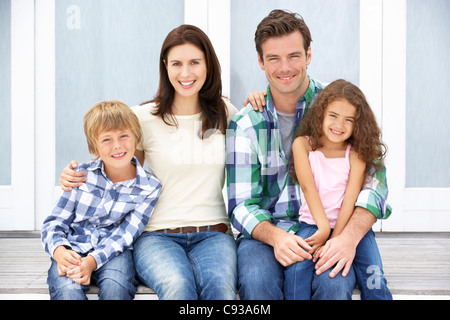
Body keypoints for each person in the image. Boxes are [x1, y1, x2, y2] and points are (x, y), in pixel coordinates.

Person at [59, 25, 239, 300]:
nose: (186, 73)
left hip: (214, 234)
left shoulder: (226, 113)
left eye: (194, 63)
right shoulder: (143, 117)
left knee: (221, 292)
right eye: (177, 63)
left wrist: (259, 98)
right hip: (156, 236)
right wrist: (74, 175)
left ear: (208, 65)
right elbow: (114, 167)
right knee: (178, 288)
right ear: (165, 66)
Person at [227, 9, 392, 300]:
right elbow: (241, 204)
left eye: (294, 55)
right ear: (260, 61)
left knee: (335, 283)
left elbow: (375, 182)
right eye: (273, 58)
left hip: (332, 224)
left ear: (309, 55)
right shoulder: (246, 123)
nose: (285, 67)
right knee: (257, 284)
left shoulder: (337, 105)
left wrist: (347, 237)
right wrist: (277, 237)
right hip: (268, 230)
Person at [41, 100, 161, 300]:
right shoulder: (80, 175)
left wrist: (93, 261)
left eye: (124, 136)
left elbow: (126, 234)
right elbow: (54, 223)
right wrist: (60, 252)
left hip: (115, 253)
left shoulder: (149, 187)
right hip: (73, 248)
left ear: (137, 140)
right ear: (93, 148)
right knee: (66, 291)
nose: (117, 146)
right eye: (106, 139)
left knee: (117, 288)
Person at [288, 79, 392, 299]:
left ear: (358, 124)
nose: (339, 125)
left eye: (349, 120)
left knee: (374, 278)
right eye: (333, 116)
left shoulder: (356, 153)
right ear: (321, 114)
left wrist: (338, 237)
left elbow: (350, 198)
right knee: (296, 273)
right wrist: (324, 228)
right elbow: (308, 188)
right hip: (312, 224)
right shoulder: (302, 145)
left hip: (351, 230)